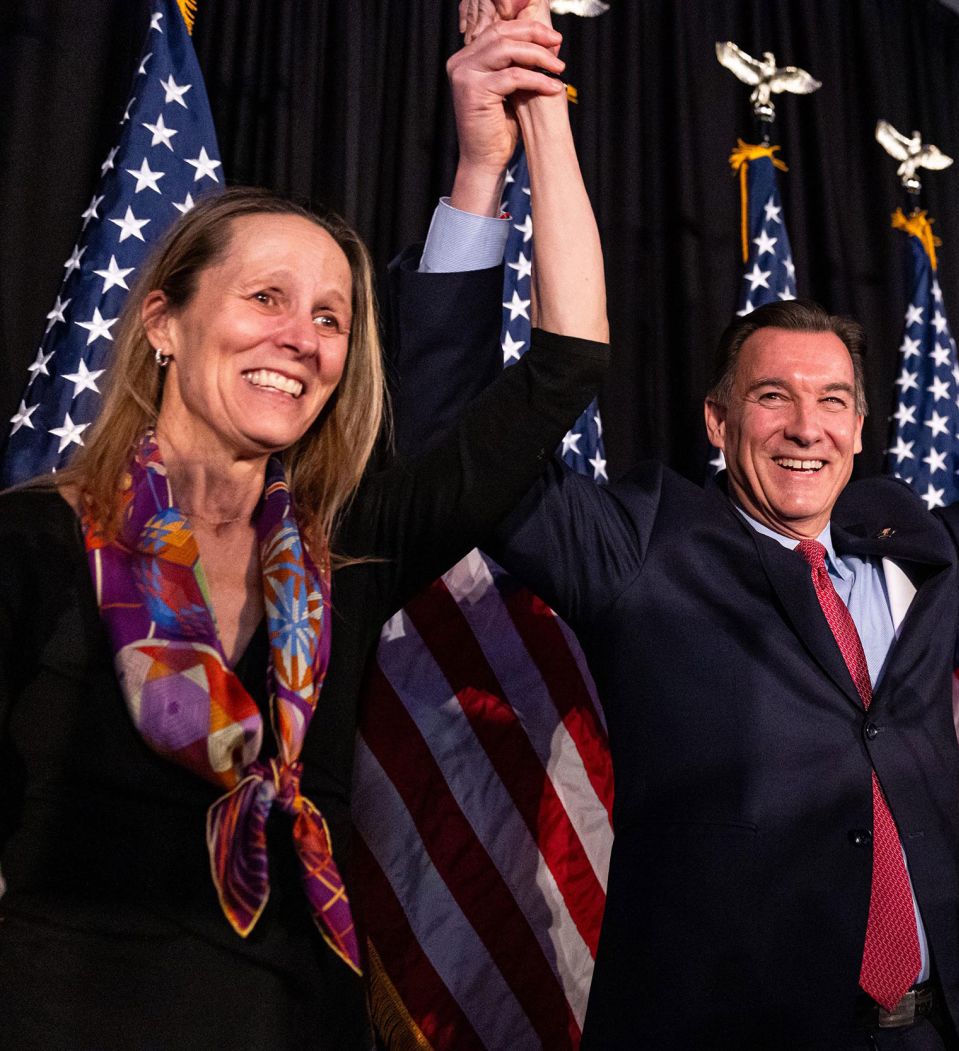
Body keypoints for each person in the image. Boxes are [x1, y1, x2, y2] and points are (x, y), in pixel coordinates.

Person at [395, 119, 959, 1040]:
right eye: (774, 397)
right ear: (718, 423)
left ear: (862, 425)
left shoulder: (915, 550)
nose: (808, 426)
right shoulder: (642, 544)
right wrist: (484, 173)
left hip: (927, 1027)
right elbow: (457, 442)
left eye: (833, 400)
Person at [0, 10, 606, 1047]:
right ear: (162, 321)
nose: (302, 338)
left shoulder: (350, 549)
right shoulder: (34, 547)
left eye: (331, 316)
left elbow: (566, 365)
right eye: (267, 297)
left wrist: (524, 122)